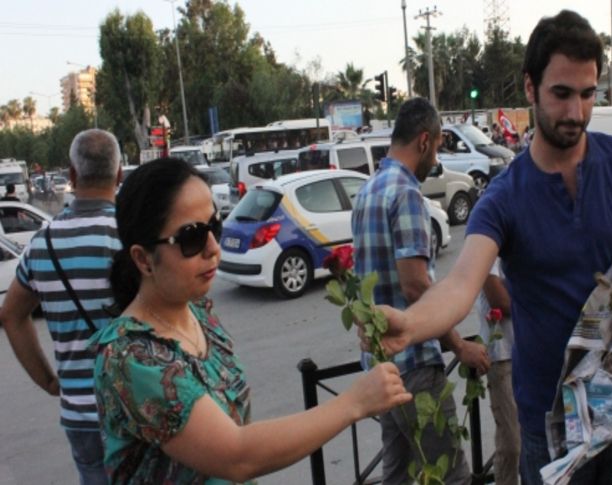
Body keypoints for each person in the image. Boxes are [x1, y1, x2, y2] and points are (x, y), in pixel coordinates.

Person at [366, 11, 612, 485]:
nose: (576, 112)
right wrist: (409, 324)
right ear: (530, 89)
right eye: (561, 94)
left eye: (588, 94)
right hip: (547, 421)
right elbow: (462, 284)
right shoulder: (503, 198)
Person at [90, 158, 411, 483]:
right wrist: (354, 403)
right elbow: (237, 454)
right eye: (191, 237)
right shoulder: (129, 357)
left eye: (214, 226)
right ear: (143, 259)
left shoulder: (197, 311)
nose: (214, 248)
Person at [351, 97, 489, 485]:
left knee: (396, 476)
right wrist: (459, 345)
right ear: (425, 141)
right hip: (414, 367)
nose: (438, 155)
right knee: (452, 477)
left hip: (382, 367)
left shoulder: (367, 191)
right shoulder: (407, 194)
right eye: (440, 144)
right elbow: (416, 287)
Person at [0, 129, 123, 485]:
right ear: (118, 175)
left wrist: (49, 381)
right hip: (134, 407)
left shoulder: (42, 245)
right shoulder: (132, 235)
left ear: (71, 175)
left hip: (79, 412)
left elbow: (11, 315)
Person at [476, 258, 520, 485]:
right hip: (502, 354)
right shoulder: (489, 234)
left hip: (530, 349)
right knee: (511, 443)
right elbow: (498, 297)